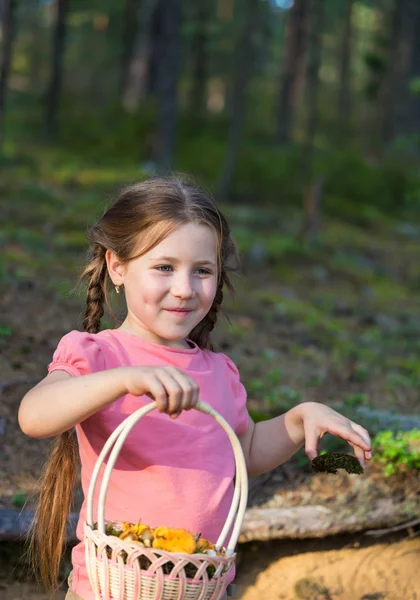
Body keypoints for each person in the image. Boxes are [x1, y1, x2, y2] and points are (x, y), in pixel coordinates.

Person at [18, 176, 372, 600]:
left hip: (200, 587)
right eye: (164, 267)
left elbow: (243, 450)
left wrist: (298, 420)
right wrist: (124, 380)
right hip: (113, 589)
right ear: (118, 267)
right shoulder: (100, 355)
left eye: (202, 271)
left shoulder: (220, 371)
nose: (185, 289)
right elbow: (34, 416)